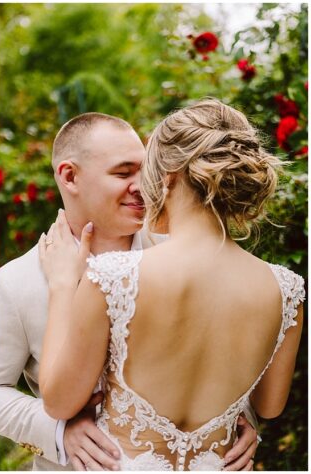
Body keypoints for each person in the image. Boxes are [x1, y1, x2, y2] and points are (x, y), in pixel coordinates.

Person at [38, 99, 305, 471]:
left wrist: (63, 284)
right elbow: (269, 406)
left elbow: (58, 402)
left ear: (168, 178)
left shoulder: (114, 276)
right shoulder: (287, 289)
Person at [0, 112, 258, 471]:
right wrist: (58, 432)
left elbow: (227, 350)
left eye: (144, 170)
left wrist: (240, 422)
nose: (143, 185)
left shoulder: (190, 254)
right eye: (123, 173)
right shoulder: (15, 283)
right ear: (70, 177)